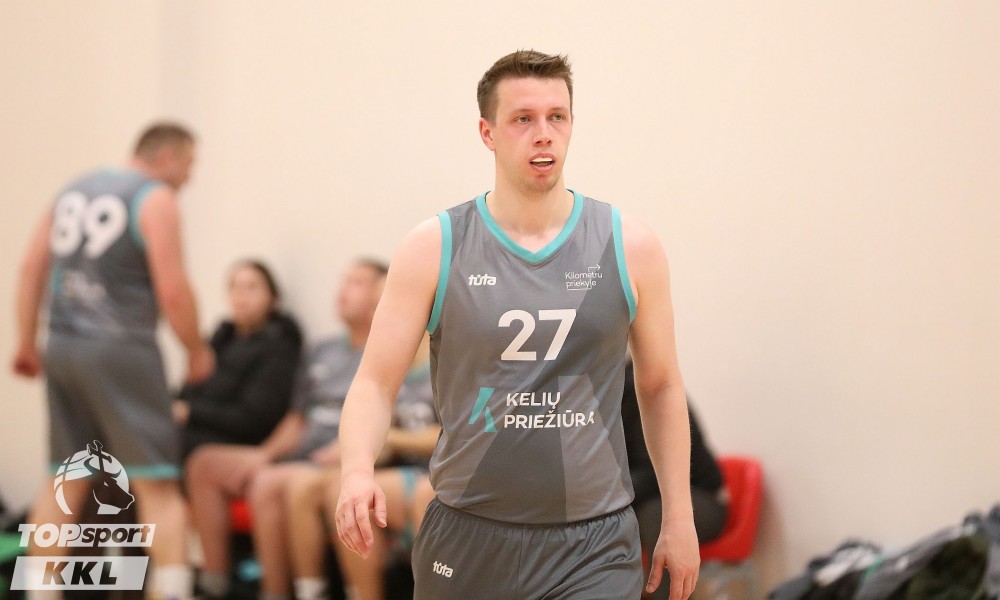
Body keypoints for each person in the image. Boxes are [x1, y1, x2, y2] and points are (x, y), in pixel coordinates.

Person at [334, 50, 700, 600]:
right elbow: (373, 383)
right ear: (487, 133)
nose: (543, 133)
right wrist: (356, 471)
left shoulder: (630, 245)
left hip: (594, 544)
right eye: (523, 119)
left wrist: (679, 515)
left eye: (557, 116)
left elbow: (662, 385)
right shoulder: (434, 246)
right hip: (467, 532)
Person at [11, 122, 215, 600]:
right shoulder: (154, 198)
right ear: (166, 157)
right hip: (122, 350)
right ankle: (173, 590)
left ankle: (41, 593)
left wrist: (25, 341)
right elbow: (173, 288)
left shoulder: (74, 189)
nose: (189, 178)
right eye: (189, 165)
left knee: (63, 478)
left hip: (63, 345)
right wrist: (195, 348)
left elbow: (30, 268)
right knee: (157, 484)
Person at [184, 259, 390, 600]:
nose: (343, 290)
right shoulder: (321, 349)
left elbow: (390, 415)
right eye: (343, 281)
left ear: (381, 294)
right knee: (206, 463)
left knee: (269, 483)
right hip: (302, 454)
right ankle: (220, 582)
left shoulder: (389, 351)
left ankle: (286, 591)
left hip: (342, 460)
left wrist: (354, 456)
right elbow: (297, 418)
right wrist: (265, 454)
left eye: (356, 282)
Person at [621, 361, 728, 600]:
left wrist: (608, 494)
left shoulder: (636, 388)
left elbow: (650, 473)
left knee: (657, 517)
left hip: (701, 498)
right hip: (646, 499)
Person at [174, 259, 303, 458]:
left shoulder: (280, 346)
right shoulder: (222, 338)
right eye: (235, 287)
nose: (241, 295)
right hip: (195, 428)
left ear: (272, 297)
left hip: (234, 440)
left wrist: (190, 412)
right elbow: (189, 387)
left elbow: (253, 420)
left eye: (251, 287)